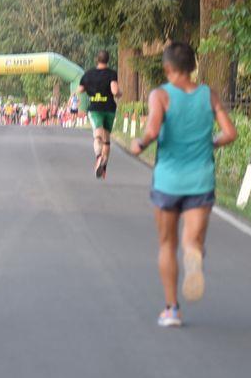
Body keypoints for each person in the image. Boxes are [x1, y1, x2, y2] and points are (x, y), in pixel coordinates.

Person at [130, 41, 237, 329]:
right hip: (200, 179)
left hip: (168, 180)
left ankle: (172, 309)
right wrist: (211, 142)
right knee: (192, 242)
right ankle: (194, 256)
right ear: (192, 66)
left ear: (167, 68)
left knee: (167, 243)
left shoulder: (160, 95)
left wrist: (140, 143)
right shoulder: (208, 95)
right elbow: (230, 133)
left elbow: (153, 130)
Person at [78, 50, 121, 179]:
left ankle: (98, 157)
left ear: (97, 59)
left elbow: (80, 89)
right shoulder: (112, 73)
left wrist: (89, 87)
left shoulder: (88, 74)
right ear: (108, 60)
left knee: (98, 136)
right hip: (109, 108)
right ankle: (104, 166)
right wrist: (120, 93)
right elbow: (115, 91)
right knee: (106, 140)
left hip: (95, 108)